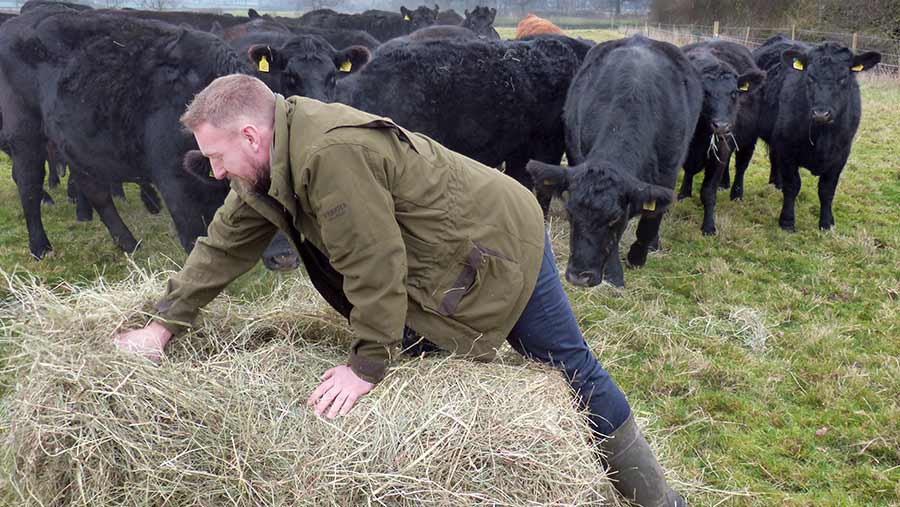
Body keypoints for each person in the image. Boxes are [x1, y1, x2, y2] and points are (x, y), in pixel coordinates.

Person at [114, 74, 685, 507]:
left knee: (568, 365)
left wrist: (365, 365)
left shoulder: (329, 154)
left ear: (249, 134)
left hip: (500, 243)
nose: (213, 172)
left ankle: (657, 499)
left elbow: (374, 262)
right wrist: (164, 325)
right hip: (438, 254)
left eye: (216, 156)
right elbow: (222, 246)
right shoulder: (266, 166)